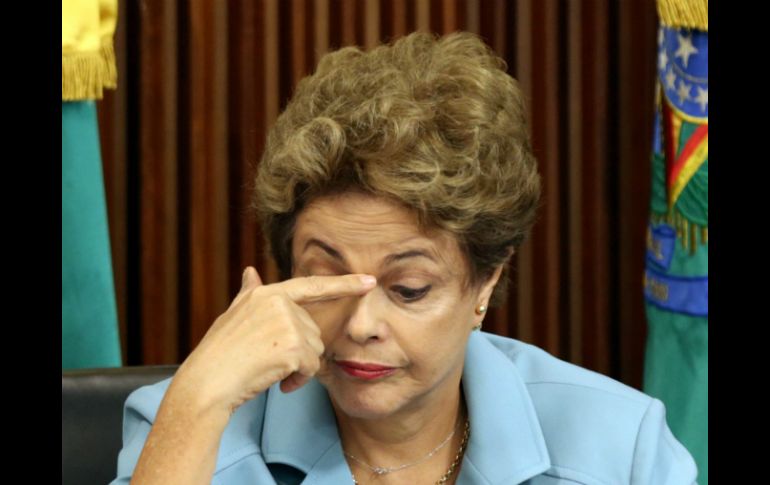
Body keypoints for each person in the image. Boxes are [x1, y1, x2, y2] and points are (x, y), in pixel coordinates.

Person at [112, 32, 698, 485]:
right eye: (328, 279)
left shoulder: (621, 446)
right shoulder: (188, 424)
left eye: (409, 288)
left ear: (485, 282)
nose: (360, 325)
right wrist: (197, 400)